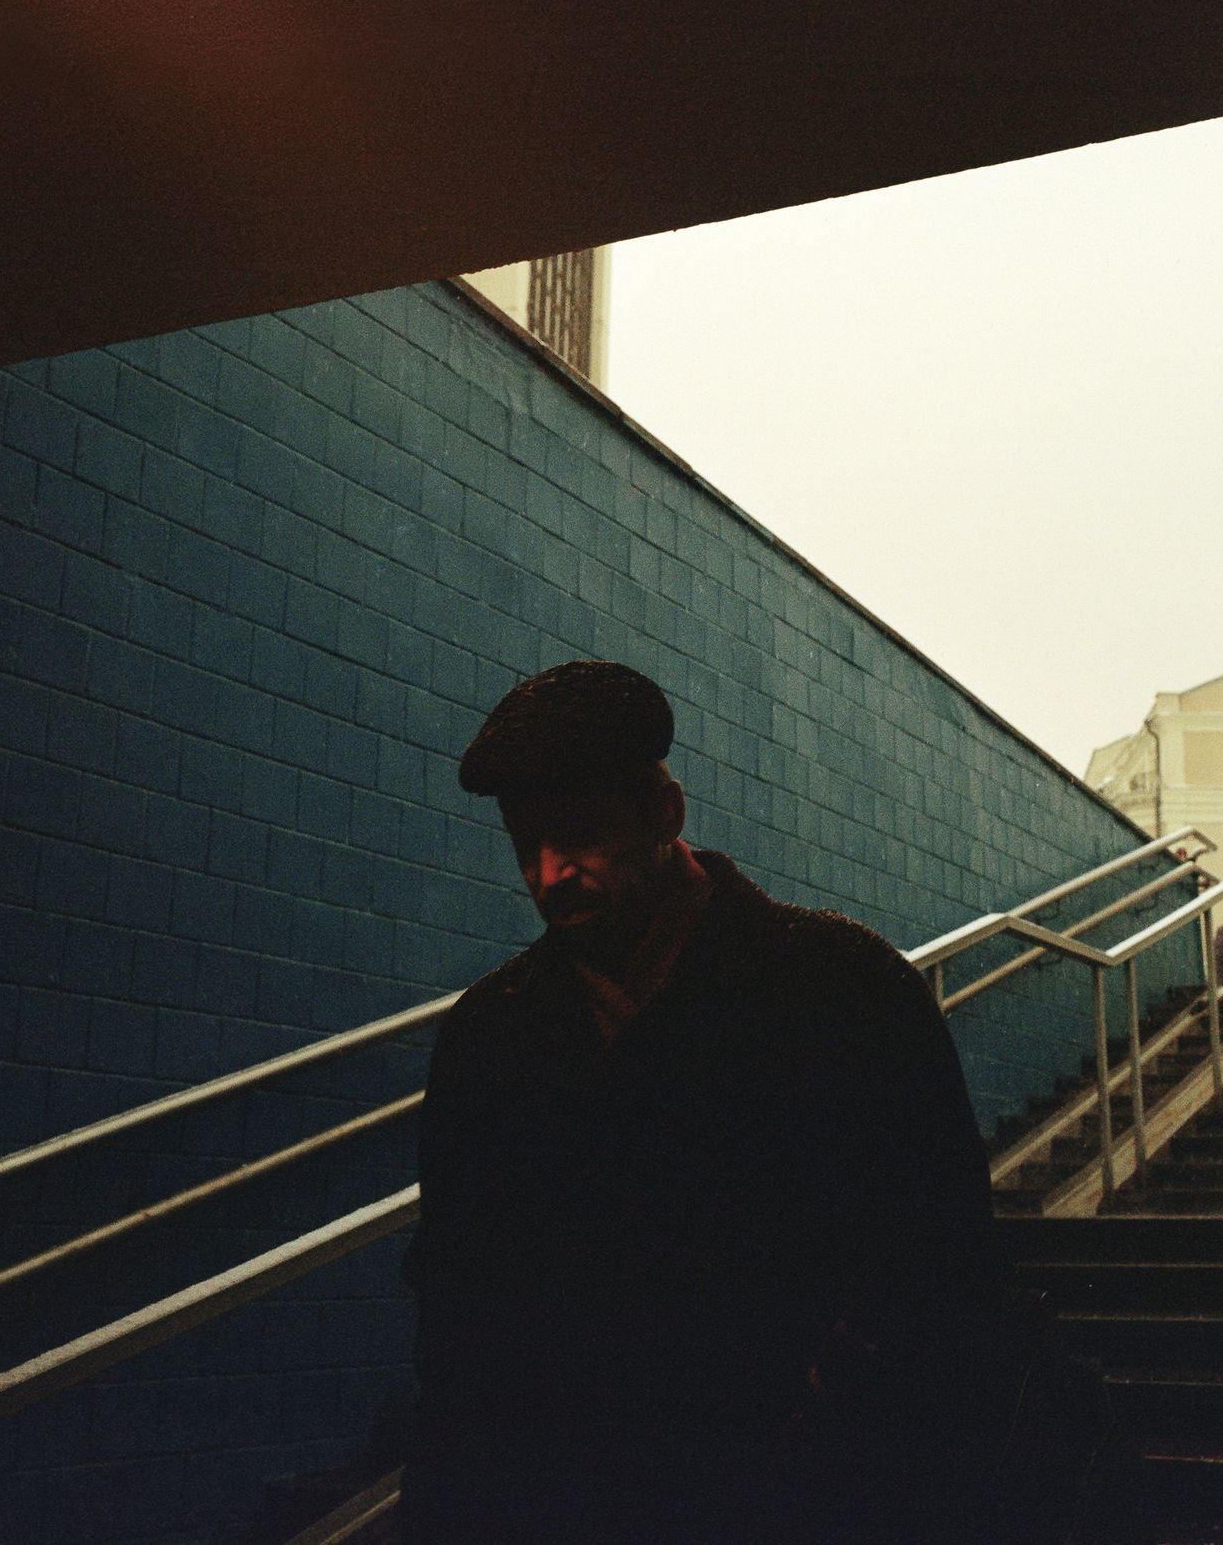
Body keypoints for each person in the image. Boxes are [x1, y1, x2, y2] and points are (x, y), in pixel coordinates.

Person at [400, 661, 1009, 1543]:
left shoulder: (845, 990)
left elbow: (946, 1282)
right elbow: (458, 1322)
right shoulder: (491, 1034)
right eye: (525, 843)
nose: (550, 873)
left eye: (582, 835)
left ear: (665, 815)